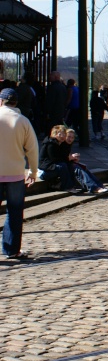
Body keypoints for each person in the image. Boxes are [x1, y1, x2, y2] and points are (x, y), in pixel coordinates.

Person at [0, 88, 39, 260]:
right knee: (14, 212)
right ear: (16, 103)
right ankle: (12, 250)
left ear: (1, 101)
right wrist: (33, 171)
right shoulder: (23, 121)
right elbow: (32, 149)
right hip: (15, 174)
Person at [39, 125, 76, 192]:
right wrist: (68, 158)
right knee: (62, 166)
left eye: (64, 134)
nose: (62, 136)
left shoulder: (59, 143)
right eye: (60, 134)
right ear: (55, 134)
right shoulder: (51, 144)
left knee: (69, 165)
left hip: (51, 169)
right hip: (44, 171)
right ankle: (68, 187)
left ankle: (72, 185)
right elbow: (54, 159)